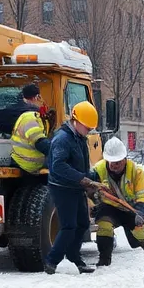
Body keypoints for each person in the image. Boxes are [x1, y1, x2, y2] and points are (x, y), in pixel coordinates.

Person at [44, 101, 101, 274]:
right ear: (76, 121)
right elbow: (58, 166)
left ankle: (74, 256)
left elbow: (81, 165)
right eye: (87, 128)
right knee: (69, 226)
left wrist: (91, 179)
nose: (89, 131)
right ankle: (51, 261)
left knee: (83, 224)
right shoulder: (63, 139)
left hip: (75, 187)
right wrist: (82, 179)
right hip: (62, 188)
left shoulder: (79, 138)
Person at [91, 137, 144, 267]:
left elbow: (143, 195)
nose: (115, 165)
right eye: (112, 162)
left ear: (125, 159)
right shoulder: (98, 170)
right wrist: (94, 205)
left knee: (141, 230)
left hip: (131, 208)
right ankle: (104, 260)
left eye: (118, 162)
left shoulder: (136, 172)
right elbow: (89, 192)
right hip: (110, 208)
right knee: (104, 226)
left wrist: (141, 212)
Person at [0, 84, 50, 173]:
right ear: (36, 97)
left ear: (23, 95)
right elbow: (38, 140)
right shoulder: (32, 115)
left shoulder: (7, 111)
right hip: (27, 164)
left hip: (12, 156)